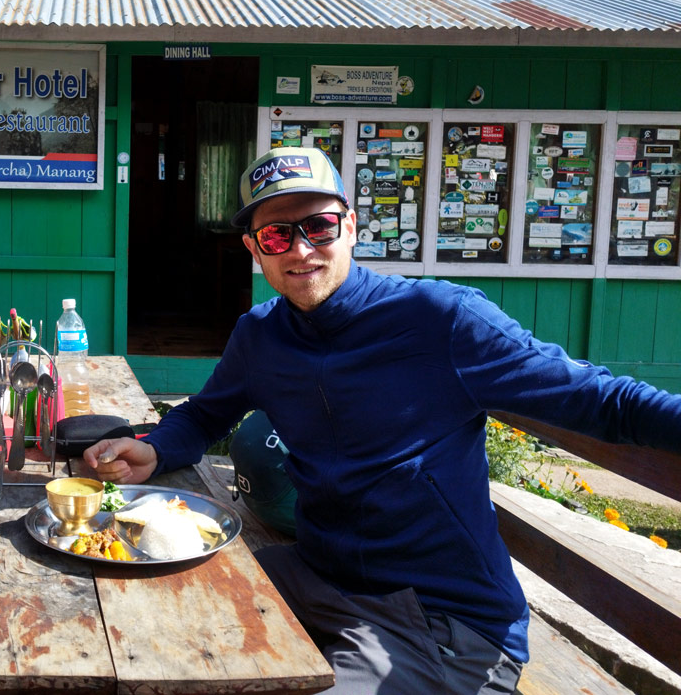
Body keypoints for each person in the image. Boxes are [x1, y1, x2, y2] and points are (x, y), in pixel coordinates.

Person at [86, 146, 681, 695]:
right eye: (276, 234)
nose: (300, 249)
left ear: (349, 225)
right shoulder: (261, 335)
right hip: (319, 575)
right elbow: (205, 414)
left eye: (317, 226)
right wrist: (158, 449)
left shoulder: (441, 320)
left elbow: (607, 402)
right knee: (154, 604)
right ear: (254, 248)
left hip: (441, 620)